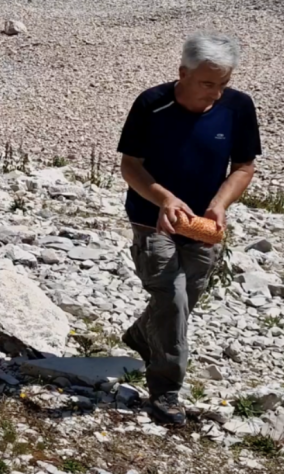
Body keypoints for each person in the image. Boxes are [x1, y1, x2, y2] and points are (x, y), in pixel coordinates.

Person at [117, 32, 261, 425]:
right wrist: (164, 198)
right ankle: (166, 390)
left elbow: (244, 167)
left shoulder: (237, 107)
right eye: (207, 83)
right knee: (172, 296)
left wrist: (219, 204)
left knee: (188, 295)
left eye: (223, 84)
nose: (215, 93)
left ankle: (142, 334)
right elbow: (131, 165)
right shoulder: (152, 104)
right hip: (153, 217)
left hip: (203, 222)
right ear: (183, 72)